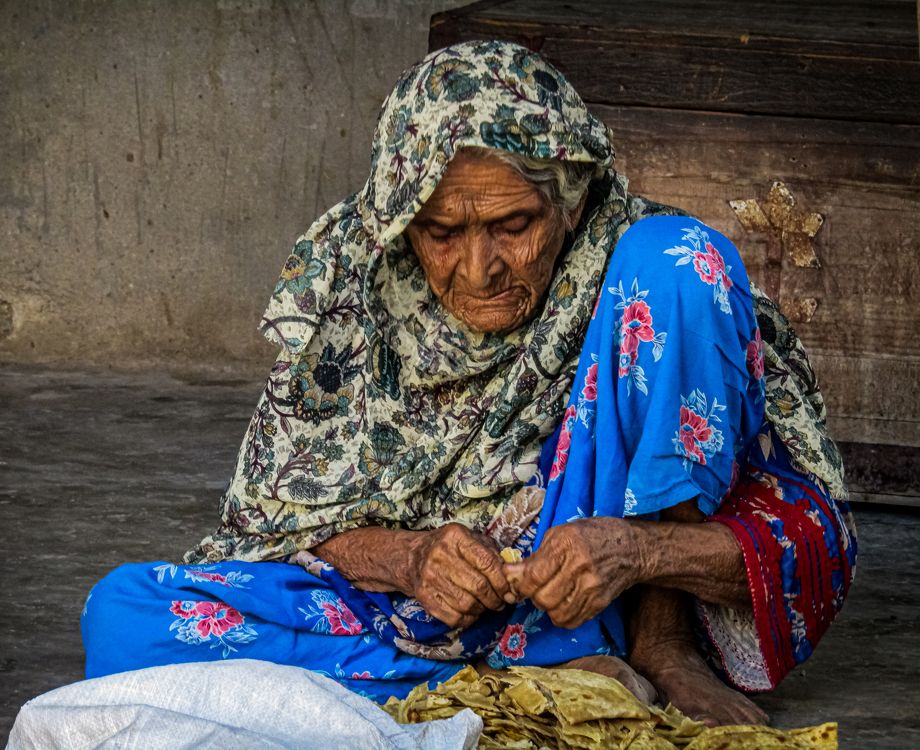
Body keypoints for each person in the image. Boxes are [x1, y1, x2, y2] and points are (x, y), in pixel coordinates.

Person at [82, 41, 857, 726]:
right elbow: (274, 527)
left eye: (513, 226)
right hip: (419, 613)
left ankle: (656, 646)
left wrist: (637, 553)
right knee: (123, 617)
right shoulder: (355, 284)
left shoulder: (654, 276)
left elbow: (805, 547)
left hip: (605, 599)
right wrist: (411, 559)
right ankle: (503, 685)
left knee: (682, 255)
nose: (479, 269)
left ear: (570, 199)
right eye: (442, 233)